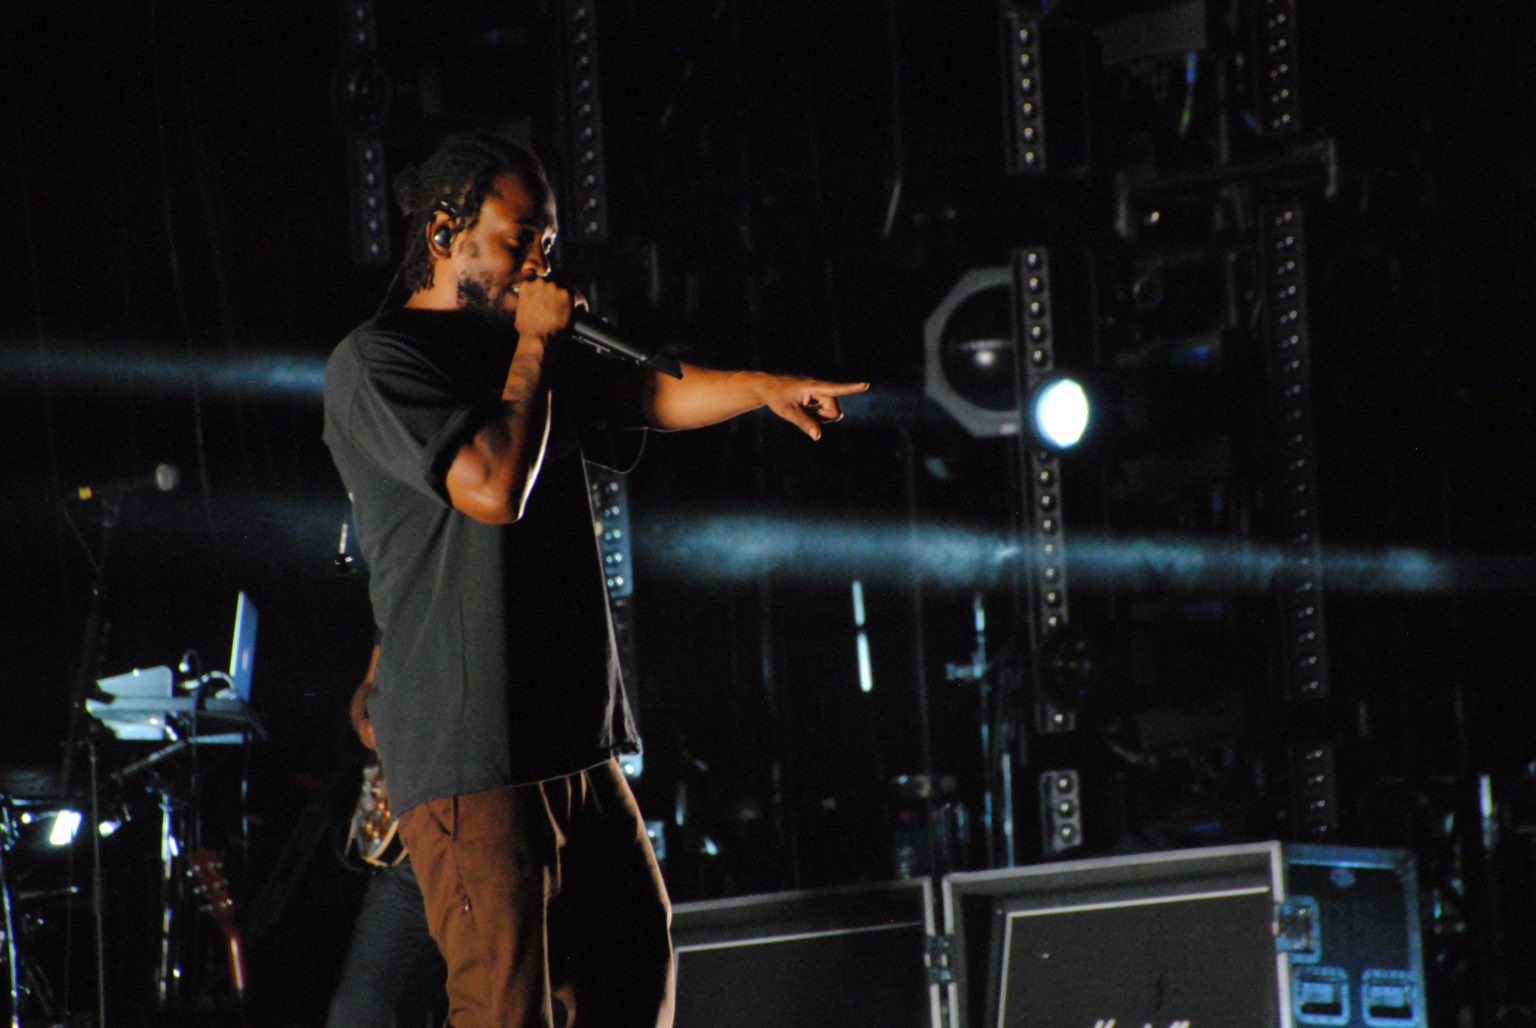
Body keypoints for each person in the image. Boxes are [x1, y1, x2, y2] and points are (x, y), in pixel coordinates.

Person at [321, 130, 866, 1028]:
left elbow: (649, 395)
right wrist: (534, 346)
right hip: (474, 755)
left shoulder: (528, 351)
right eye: (519, 239)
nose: (542, 261)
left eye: (549, 241)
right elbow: (492, 486)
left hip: (574, 743)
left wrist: (758, 386)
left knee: (634, 977)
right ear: (445, 233)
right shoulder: (379, 361)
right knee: (506, 1007)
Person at [326, 643, 446, 1027]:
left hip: (481, 842)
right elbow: (369, 685)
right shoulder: (399, 605)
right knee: (358, 1010)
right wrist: (366, 724)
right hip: (409, 855)